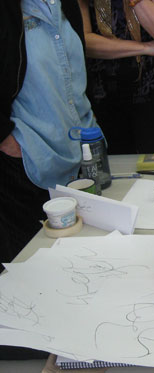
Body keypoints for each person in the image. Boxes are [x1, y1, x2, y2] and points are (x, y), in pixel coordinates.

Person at [0, 0, 101, 359]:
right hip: (25, 159)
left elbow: (71, 78)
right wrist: (8, 139)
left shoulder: (65, 4)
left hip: (72, 151)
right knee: (29, 295)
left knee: (71, 274)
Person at [78, 0, 154, 155]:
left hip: (152, 90)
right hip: (102, 93)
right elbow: (85, 42)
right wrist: (145, 48)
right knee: (114, 170)